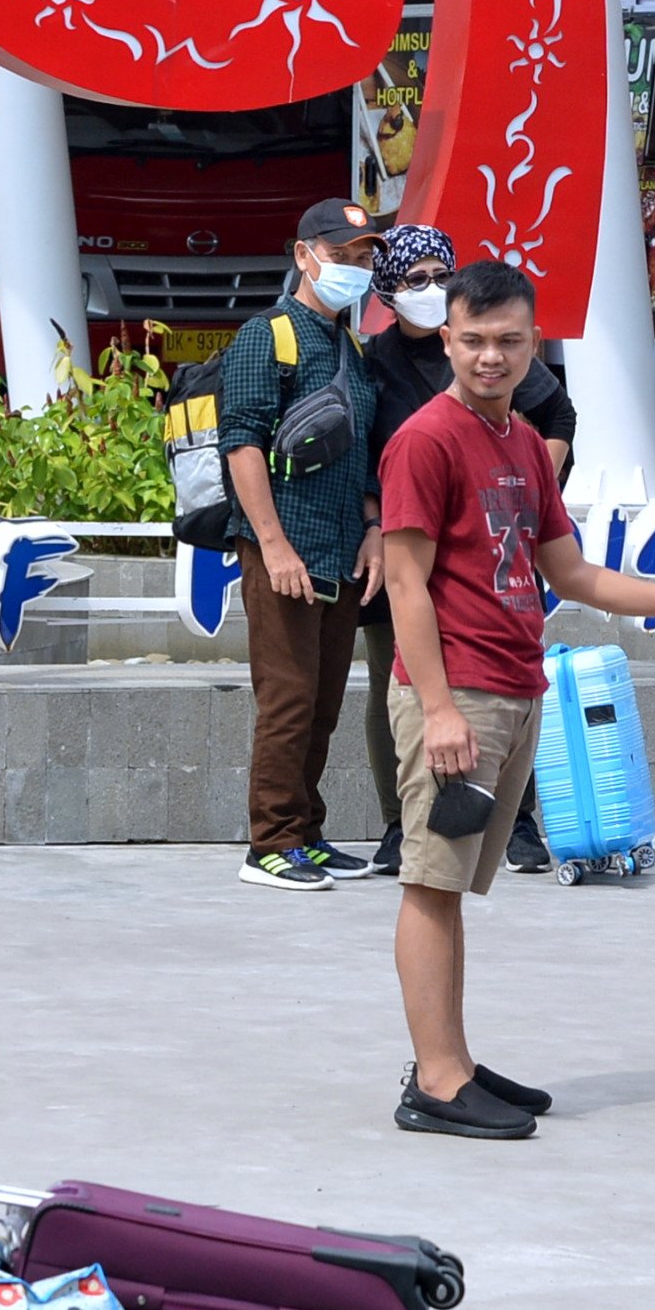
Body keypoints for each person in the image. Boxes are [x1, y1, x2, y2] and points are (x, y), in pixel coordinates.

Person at [377, 259, 655, 1137]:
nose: (489, 357)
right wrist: (437, 708)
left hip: (513, 686)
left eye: (507, 341)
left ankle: (454, 1059)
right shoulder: (426, 439)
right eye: (472, 340)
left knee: (456, 885)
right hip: (456, 691)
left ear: (533, 343)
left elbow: (568, 570)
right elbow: (403, 582)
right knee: (430, 884)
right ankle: (434, 1077)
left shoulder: (518, 442)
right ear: (446, 337)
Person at [352, 222, 573, 880]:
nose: (489, 353)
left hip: (490, 557)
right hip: (405, 546)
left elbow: (558, 418)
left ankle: (516, 821)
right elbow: (370, 452)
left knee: (502, 706)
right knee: (398, 672)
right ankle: (400, 820)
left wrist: (532, 487)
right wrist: (375, 522)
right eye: (413, 277)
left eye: (438, 273)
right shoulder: (380, 364)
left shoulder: (503, 377)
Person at [221, 198, 385, 891]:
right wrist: (274, 545)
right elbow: (242, 442)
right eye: (339, 256)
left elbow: (366, 453)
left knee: (320, 703)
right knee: (287, 701)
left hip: (342, 553)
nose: (351, 269)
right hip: (285, 552)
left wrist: (374, 529)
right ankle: (270, 842)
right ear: (303, 256)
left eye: (361, 258)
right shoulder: (269, 336)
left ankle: (307, 832)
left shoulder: (348, 347)